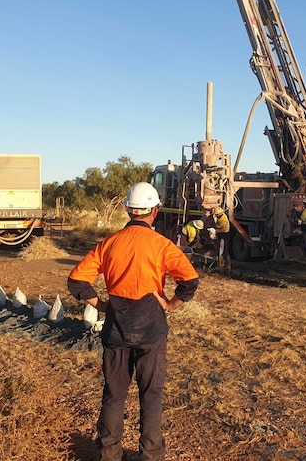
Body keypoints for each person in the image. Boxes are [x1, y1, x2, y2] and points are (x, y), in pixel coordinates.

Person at [67, 182, 200, 461]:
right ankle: (150, 456)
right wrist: (171, 304)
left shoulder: (109, 243)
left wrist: (101, 304)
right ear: (154, 211)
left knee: (114, 396)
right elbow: (189, 280)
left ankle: (108, 454)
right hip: (152, 328)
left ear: (129, 210)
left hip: (116, 326)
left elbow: (77, 281)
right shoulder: (162, 245)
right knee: (151, 396)